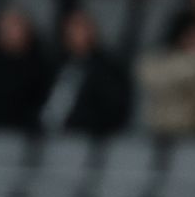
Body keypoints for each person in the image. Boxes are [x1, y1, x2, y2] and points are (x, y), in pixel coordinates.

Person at [39, 8, 132, 136]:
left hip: (83, 135)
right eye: (72, 27)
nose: (76, 32)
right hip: (43, 134)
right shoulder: (55, 65)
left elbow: (113, 107)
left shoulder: (107, 68)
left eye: (81, 27)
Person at [0, 6, 54, 130]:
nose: (11, 32)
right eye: (6, 28)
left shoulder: (41, 69)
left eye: (16, 26)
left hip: (26, 133)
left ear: (28, 30)